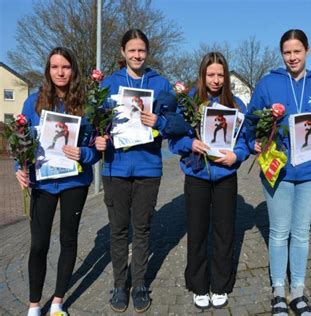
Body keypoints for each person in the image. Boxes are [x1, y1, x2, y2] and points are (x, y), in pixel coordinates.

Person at [247, 30, 311, 316]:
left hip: (310, 171)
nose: (292, 57)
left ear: (308, 51)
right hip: (278, 171)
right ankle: (278, 292)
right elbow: (250, 123)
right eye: (287, 52)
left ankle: (297, 291)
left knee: (300, 234)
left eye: (297, 51)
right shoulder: (267, 84)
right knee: (278, 232)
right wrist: (254, 143)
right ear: (281, 54)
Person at [16, 47, 99, 316]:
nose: (60, 72)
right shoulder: (33, 102)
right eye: (54, 67)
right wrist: (20, 167)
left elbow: (96, 148)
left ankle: (57, 302)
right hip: (42, 183)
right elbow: (21, 141)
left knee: (68, 239)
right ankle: (34, 305)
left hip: (74, 181)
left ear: (73, 69)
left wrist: (84, 153)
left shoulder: (87, 103)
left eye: (65, 67)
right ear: (48, 70)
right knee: (39, 243)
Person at [94, 29, 172, 314]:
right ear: (123, 52)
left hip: (148, 167)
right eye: (132, 50)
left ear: (147, 52)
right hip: (115, 167)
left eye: (141, 50)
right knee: (118, 230)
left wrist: (160, 121)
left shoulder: (160, 83)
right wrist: (97, 139)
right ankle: (118, 284)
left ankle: (138, 283)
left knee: (141, 229)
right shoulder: (108, 84)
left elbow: (174, 122)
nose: (137, 55)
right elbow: (96, 123)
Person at [168, 52, 249, 310]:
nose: (216, 80)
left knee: (225, 232)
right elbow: (173, 139)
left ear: (226, 76)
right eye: (211, 74)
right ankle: (199, 284)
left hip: (225, 175)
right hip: (197, 175)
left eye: (220, 74)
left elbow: (246, 141)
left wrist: (236, 155)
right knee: (198, 230)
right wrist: (189, 143)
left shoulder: (236, 105)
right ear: (202, 75)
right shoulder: (188, 101)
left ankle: (221, 284)